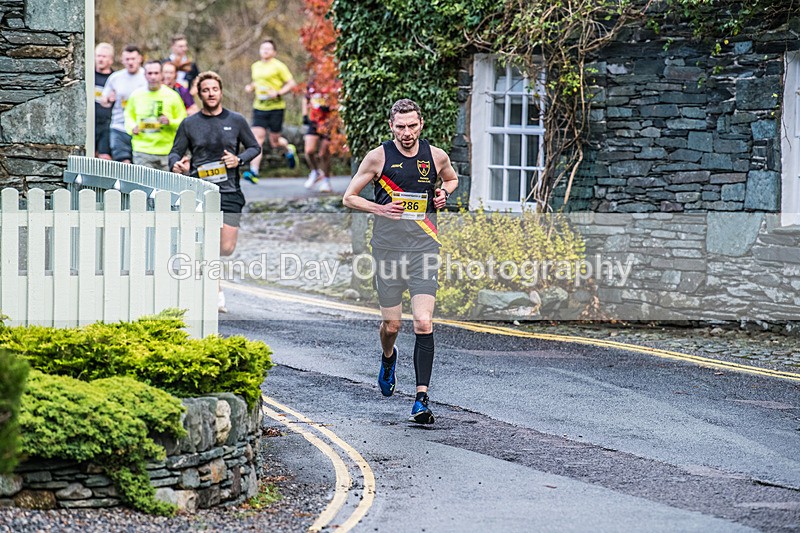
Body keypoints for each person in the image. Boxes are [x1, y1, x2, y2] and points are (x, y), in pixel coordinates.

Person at [342, 98, 459, 424]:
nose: (406, 133)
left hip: (424, 247)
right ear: (391, 126)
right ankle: (388, 357)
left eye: (412, 126)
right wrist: (381, 209)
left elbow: (451, 179)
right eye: (400, 127)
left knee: (423, 322)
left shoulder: (436, 156)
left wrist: (444, 194)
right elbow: (348, 197)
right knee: (392, 325)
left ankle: (421, 398)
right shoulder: (378, 157)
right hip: (388, 251)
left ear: (421, 124)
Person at [168, 71, 261, 313]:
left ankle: (208, 277)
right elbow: (175, 153)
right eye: (206, 90)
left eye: (214, 89)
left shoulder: (236, 120)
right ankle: (215, 291)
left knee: (226, 248)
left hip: (229, 191)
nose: (211, 93)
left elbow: (255, 147)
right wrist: (176, 164)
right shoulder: (190, 124)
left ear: (220, 92)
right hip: (200, 191)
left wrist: (238, 160)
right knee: (207, 243)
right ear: (199, 94)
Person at [243, 39, 297, 184]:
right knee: (257, 139)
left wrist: (278, 93)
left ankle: (289, 149)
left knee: (275, 142)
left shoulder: (279, 66)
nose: (265, 51)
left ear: (274, 52)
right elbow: (258, 81)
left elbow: (291, 83)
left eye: (268, 49)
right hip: (259, 107)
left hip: (276, 108)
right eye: (263, 48)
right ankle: (254, 172)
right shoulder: (255, 66)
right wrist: (251, 87)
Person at [124, 60, 187, 171]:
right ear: (145, 75)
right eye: (150, 73)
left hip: (166, 150)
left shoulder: (172, 96)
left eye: (156, 73)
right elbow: (128, 116)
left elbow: (183, 121)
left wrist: (170, 122)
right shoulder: (136, 95)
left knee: (166, 187)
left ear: (162, 74)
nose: (153, 77)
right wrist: (132, 127)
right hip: (142, 150)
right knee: (145, 186)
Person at [101, 44, 146, 164]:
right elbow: (103, 101)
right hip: (119, 127)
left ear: (140, 59)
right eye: (127, 59)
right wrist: (108, 99)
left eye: (133, 59)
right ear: (122, 60)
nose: (130, 62)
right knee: (123, 165)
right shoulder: (115, 78)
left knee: (140, 166)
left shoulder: (147, 76)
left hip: (141, 128)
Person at [302, 80, 333, 193]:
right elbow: (306, 98)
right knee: (309, 151)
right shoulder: (312, 84)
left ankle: (326, 180)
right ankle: (315, 171)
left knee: (323, 154)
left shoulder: (332, 84)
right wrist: (305, 114)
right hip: (314, 121)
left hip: (328, 123)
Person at [94, 42, 115, 160]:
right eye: (98, 56)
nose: (100, 59)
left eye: (104, 56)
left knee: (104, 158)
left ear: (111, 60)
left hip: (107, 125)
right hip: (90, 123)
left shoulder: (115, 79)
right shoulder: (88, 75)